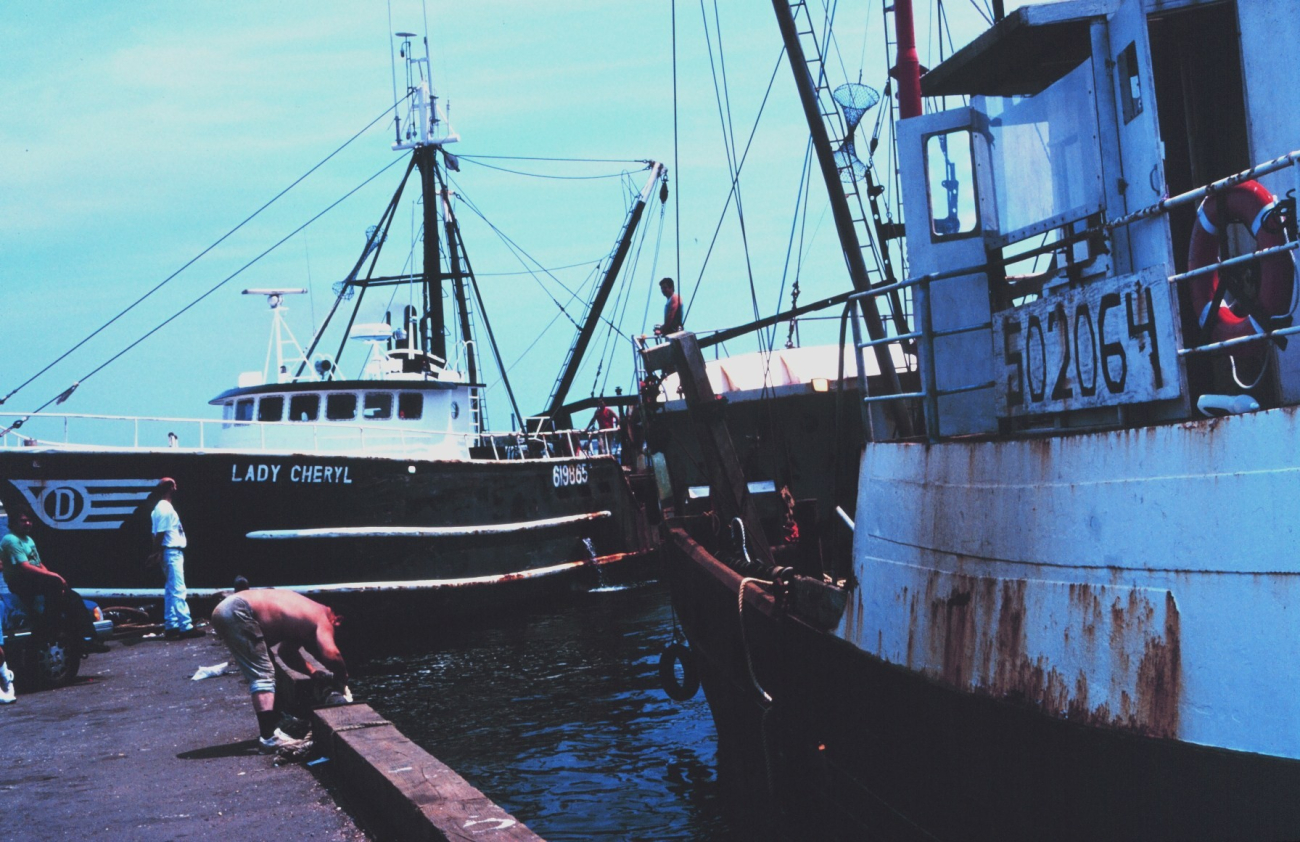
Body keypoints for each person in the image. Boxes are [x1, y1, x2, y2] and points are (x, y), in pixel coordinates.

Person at [210, 587, 349, 751]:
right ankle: (268, 738)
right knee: (263, 674)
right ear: (338, 620)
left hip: (227, 609)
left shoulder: (302, 618)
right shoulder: (323, 617)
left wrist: (312, 672)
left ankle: (274, 723)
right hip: (239, 610)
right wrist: (342, 675)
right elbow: (332, 654)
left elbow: (286, 653)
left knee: (265, 663)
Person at [0, 509, 109, 655]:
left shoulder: (28, 539)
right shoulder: (10, 539)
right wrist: (55, 578)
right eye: (23, 520)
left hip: (33, 578)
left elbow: (39, 564)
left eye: (29, 520)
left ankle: (88, 638)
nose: (27, 523)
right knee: (55, 584)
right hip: (20, 581)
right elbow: (24, 567)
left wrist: (52, 576)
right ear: (13, 523)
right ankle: (50, 623)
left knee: (73, 597)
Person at [149, 478, 202, 639]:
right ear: (171, 488)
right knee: (179, 589)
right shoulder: (165, 509)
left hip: (168, 552)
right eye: (174, 484)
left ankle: (171, 625)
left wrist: (156, 552)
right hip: (172, 552)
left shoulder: (157, 509)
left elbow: (154, 534)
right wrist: (156, 552)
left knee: (170, 590)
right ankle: (185, 625)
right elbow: (161, 533)